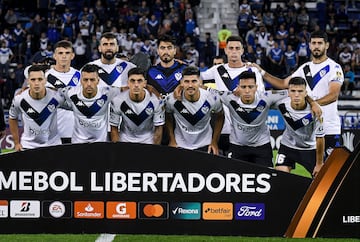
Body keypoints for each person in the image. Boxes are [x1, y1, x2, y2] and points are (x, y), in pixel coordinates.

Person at [255, 30, 344, 159]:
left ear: (327, 45)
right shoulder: (305, 68)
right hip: (310, 130)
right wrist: (262, 72)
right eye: (314, 43)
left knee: (332, 173)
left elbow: (333, 95)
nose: (316, 46)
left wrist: (313, 103)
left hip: (329, 127)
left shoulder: (334, 68)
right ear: (309, 45)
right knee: (313, 171)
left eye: (320, 43)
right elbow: (283, 83)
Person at [200, 36, 285, 156]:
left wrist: (242, 93)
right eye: (230, 48)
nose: (234, 51)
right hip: (223, 129)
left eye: (237, 48)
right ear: (225, 50)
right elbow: (195, 77)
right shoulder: (217, 70)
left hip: (246, 130)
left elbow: (260, 96)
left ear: (242, 50)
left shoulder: (253, 70)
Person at [165, 66, 224, 154]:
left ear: (200, 82)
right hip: (180, 145)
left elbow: (220, 116)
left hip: (205, 145)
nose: (190, 85)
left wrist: (214, 142)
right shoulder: (172, 99)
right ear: (181, 83)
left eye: (194, 81)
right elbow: (167, 116)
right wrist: (172, 140)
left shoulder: (212, 98)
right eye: (186, 81)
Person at [275, 77, 325, 178]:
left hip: (309, 148)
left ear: (306, 93)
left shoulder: (316, 112)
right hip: (287, 146)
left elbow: (320, 138)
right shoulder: (280, 104)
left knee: (319, 180)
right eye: (293, 91)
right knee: (280, 178)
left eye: (300, 91)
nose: (296, 95)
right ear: (288, 92)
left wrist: (319, 164)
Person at [9, 65, 66, 151]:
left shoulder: (56, 97)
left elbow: (76, 105)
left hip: (53, 145)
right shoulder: (19, 99)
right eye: (33, 80)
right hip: (28, 146)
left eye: (40, 79)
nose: (36, 83)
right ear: (28, 81)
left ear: (45, 80)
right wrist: (16, 143)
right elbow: (12, 117)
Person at [61, 64, 121, 143]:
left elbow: (126, 91)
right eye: (85, 80)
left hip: (101, 145)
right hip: (78, 145)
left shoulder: (108, 92)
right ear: (81, 81)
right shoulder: (70, 93)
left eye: (92, 80)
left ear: (98, 81)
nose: (89, 84)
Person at [109, 67, 165, 144]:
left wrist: (154, 150)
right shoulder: (117, 101)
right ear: (128, 83)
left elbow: (158, 128)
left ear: (145, 83)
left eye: (139, 81)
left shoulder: (156, 101)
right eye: (132, 81)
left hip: (148, 141)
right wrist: (117, 149)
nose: (136, 85)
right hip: (125, 141)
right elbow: (114, 128)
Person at [45, 40, 81, 144]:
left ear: (72, 55)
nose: (64, 56)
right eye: (60, 53)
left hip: (76, 132)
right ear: (54, 56)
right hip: (52, 133)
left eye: (67, 53)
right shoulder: (45, 77)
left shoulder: (80, 76)